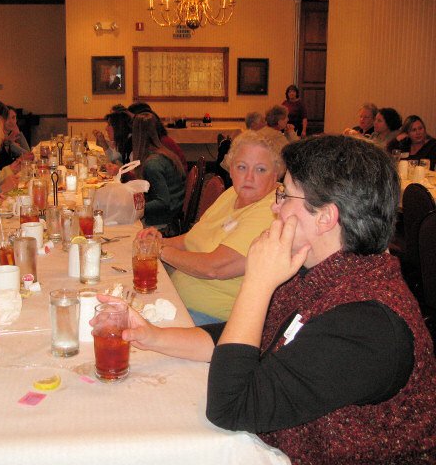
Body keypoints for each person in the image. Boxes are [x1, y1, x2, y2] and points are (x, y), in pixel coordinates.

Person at [115, 135, 436, 464]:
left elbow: (231, 407)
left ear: (325, 217)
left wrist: (257, 282)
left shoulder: (367, 325)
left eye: (284, 195)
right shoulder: (318, 271)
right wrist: (153, 336)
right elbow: (254, 338)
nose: (274, 206)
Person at [138, 131, 281, 324]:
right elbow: (191, 239)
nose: (249, 177)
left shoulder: (273, 210)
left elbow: (215, 268)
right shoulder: (232, 194)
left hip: (213, 319)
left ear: (276, 174)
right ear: (230, 169)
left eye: (261, 169)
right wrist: (159, 240)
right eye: (241, 167)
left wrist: (160, 250)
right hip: (177, 300)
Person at [131, 112, 186, 230]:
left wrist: (134, 207)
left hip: (163, 221)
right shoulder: (164, 153)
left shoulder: (152, 164)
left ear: (136, 135)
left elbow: (163, 201)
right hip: (173, 214)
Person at [128, 102, 188, 174]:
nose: (130, 125)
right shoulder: (156, 142)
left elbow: (152, 174)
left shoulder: (162, 144)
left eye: (133, 121)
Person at [0, 100, 31, 169]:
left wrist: (18, 134)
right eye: (6, 118)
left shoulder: (0, 140)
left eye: (13, 117)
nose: (11, 122)